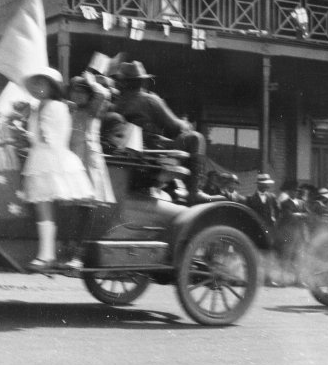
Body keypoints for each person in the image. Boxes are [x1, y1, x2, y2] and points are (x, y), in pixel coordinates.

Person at [112, 60, 223, 204]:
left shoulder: (117, 104)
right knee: (195, 138)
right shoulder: (148, 100)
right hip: (148, 154)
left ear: (123, 83)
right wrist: (186, 124)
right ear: (141, 82)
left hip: (126, 154)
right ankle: (194, 192)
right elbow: (176, 127)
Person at [21, 67, 95, 271]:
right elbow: (34, 136)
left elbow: (51, 137)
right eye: (34, 84)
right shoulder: (38, 107)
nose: (37, 88)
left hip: (54, 160)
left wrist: (32, 134)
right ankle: (47, 254)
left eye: (41, 84)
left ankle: (52, 255)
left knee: (49, 207)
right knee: (43, 208)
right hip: (40, 158)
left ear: (51, 87)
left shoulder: (56, 107)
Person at [67, 72, 116, 204]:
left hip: (87, 154)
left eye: (82, 92)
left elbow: (102, 94)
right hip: (72, 152)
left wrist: (92, 82)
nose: (77, 95)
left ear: (90, 95)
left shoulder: (93, 109)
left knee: (89, 193)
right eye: (75, 91)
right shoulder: (71, 109)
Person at [245, 172, 281, 286]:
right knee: (255, 254)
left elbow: (278, 211)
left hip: (269, 230)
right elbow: (248, 215)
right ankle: (254, 279)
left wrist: (275, 220)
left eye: (267, 184)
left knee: (269, 255)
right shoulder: (250, 199)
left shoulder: (272, 197)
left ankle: (268, 279)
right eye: (263, 184)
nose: (266, 186)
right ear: (258, 185)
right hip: (255, 231)